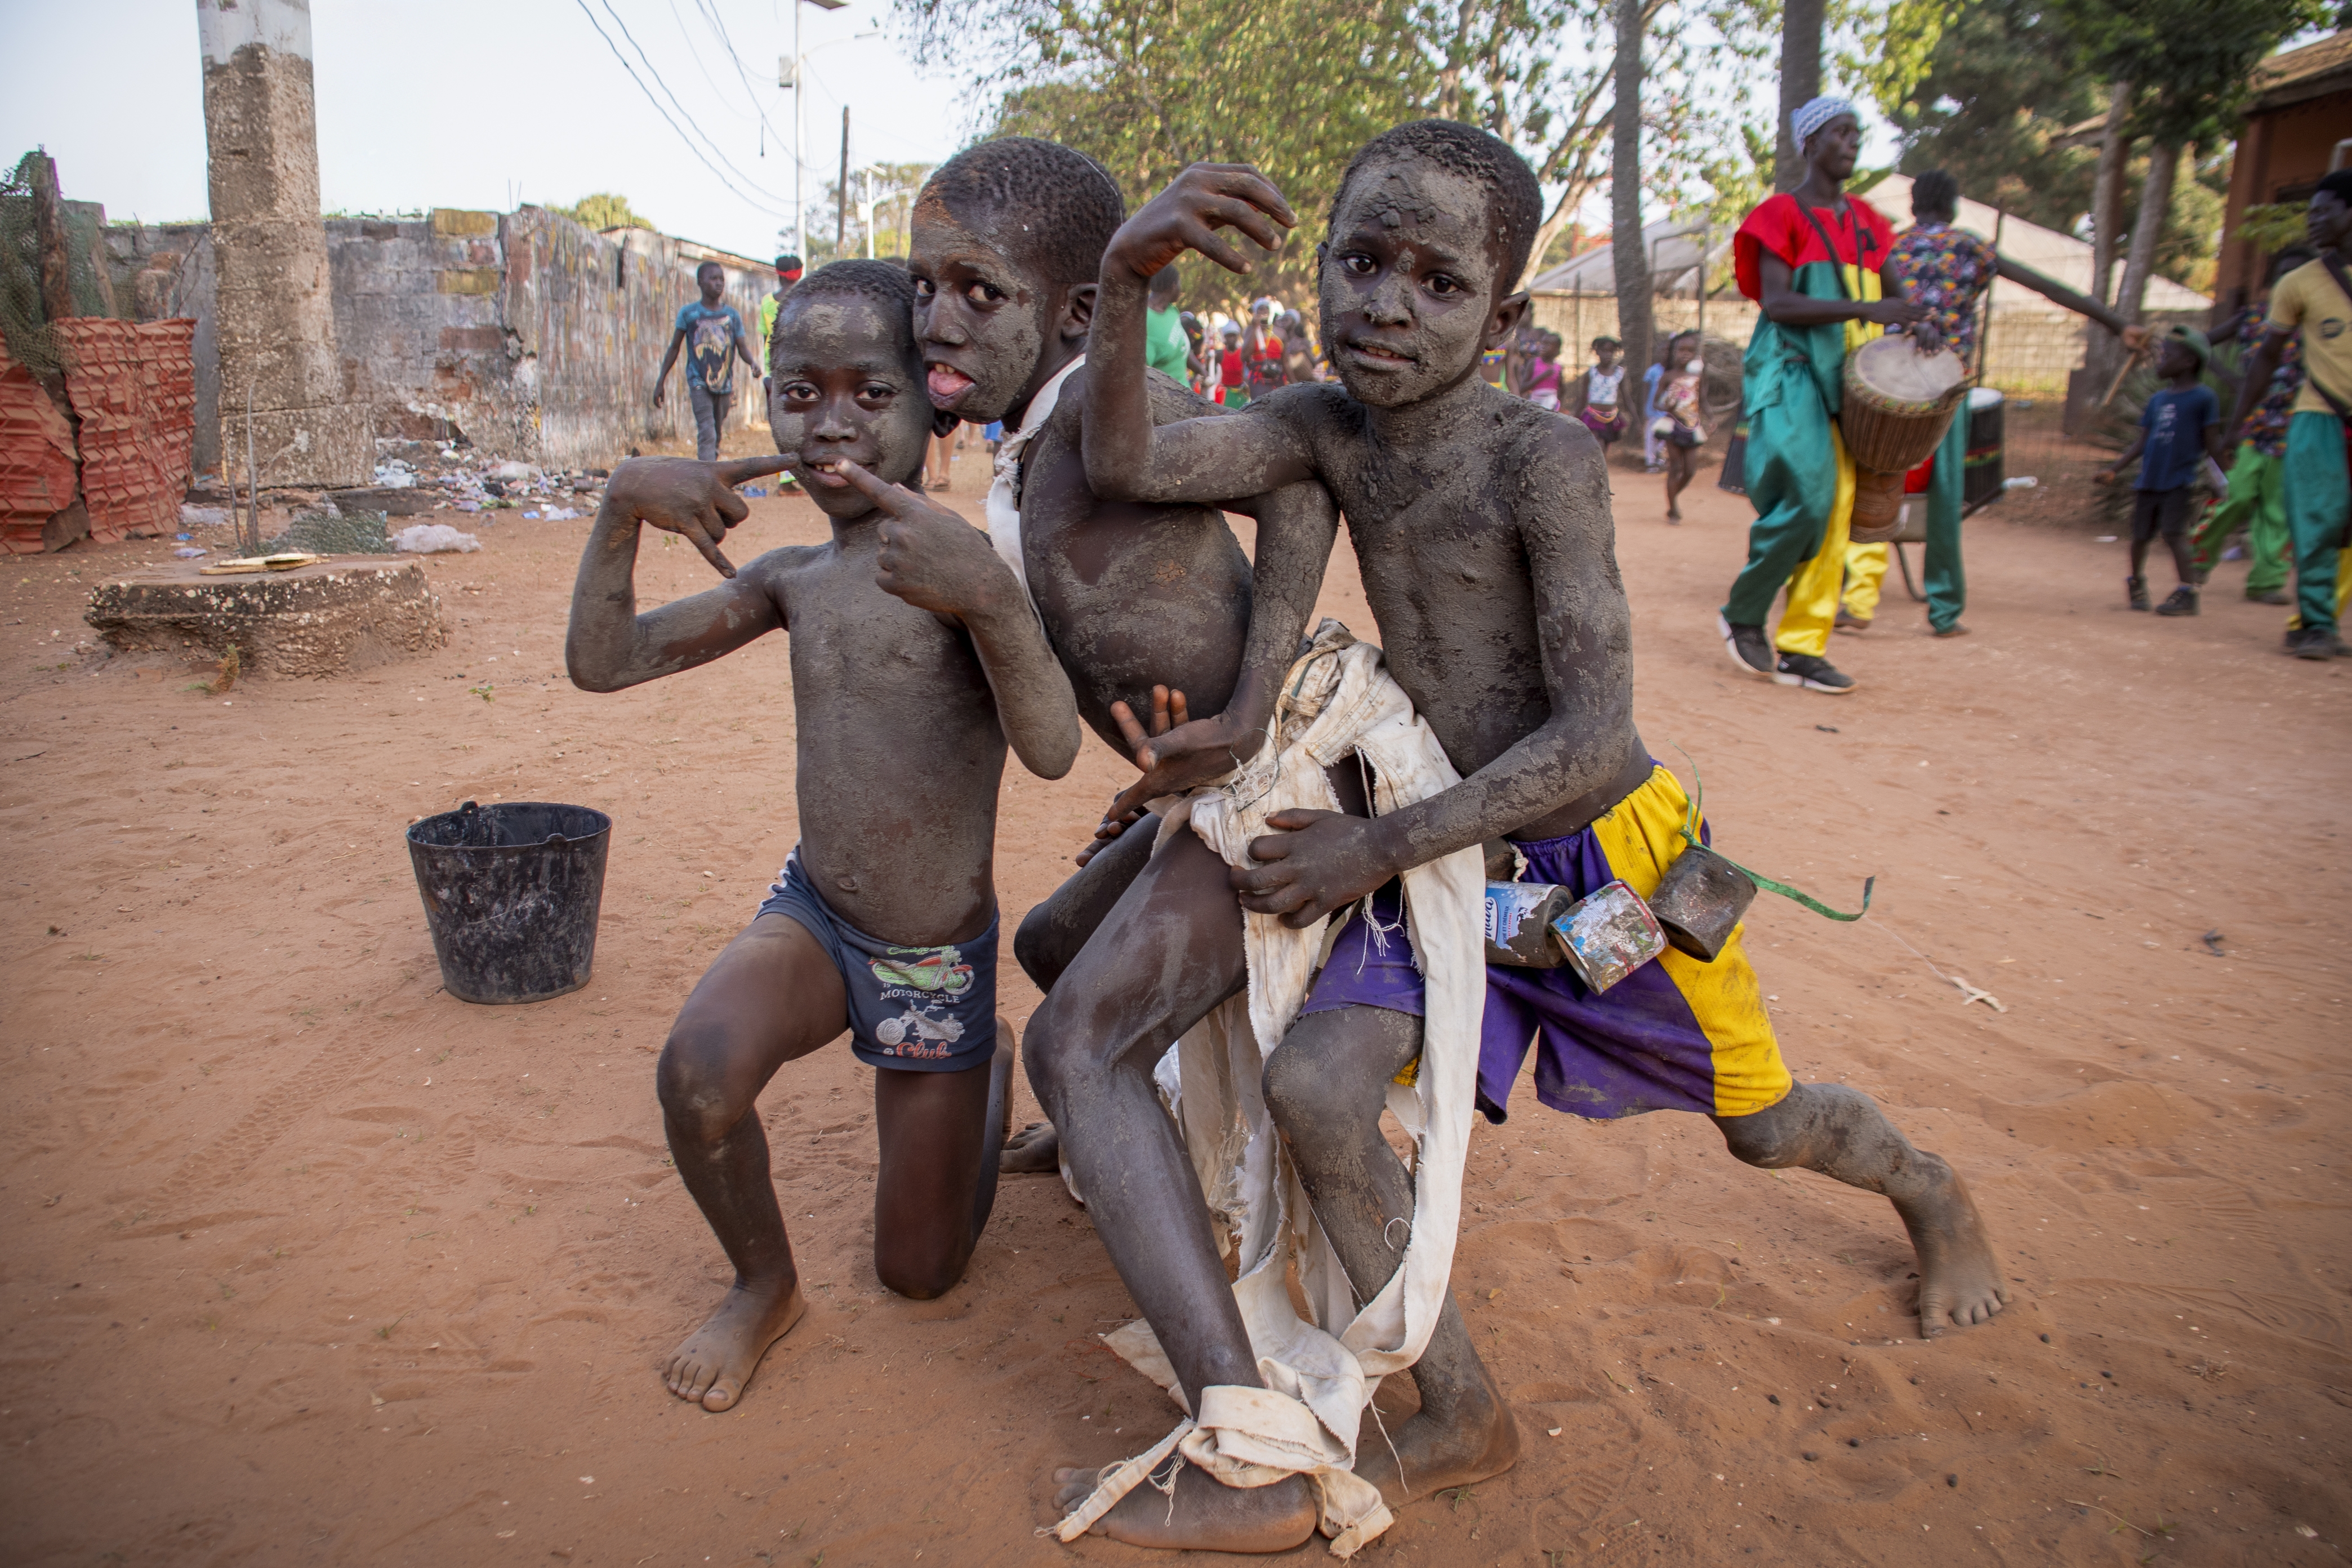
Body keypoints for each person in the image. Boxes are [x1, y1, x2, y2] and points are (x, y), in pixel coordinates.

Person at [1065, 121, 2006, 1554]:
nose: (1385, 303)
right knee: (1318, 1087)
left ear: (1503, 318)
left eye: (1436, 282)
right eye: (1360, 262)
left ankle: (1928, 1190)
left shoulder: (1540, 459)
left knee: (1760, 1124)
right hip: (1448, 856)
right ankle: (1461, 1405)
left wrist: (1370, 852)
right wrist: (1128, 277)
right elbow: (1122, 455)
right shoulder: (1323, 430)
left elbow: (1583, 734)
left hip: (1605, 859)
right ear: (1317, 264)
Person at [566, 260, 1081, 1414]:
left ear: (931, 399)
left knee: (920, 1276)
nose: (830, 424)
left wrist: (991, 601)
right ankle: (765, 1286)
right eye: (800, 394)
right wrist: (617, 515)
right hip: (817, 914)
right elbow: (606, 664)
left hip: (927, 956)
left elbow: (1051, 749)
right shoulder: (794, 576)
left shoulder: (968, 569)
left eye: (869, 393)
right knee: (698, 1075)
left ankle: (987, 1059)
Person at [899, 136, 1338, 1193]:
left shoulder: (1107, 415)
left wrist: (1249, 701)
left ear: (1079, 314)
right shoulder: (1022, 459)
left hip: (1279, 776)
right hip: (1195, 789)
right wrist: (1149, 794)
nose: (937, 318)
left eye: (977, 288)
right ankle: (1112, 1119)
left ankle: (1123, 1123)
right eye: (922, 287)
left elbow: (1300, 487)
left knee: (1072, 1035)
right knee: (1051, 943)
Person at [1870, 169, 2148, 636]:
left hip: (1886, 384)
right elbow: (2050, 289)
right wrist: (2118, 324)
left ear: (1914, 204)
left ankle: (1843, 595)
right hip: (1945, 387)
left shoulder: (1889, 248)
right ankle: (1943, 611)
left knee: (1872, 483)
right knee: (1944, 498)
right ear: (1953, 204)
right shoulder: (1971, 246)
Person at [2229, 168, 2352, 660]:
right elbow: (2267, 357)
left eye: (2325, 211)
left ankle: (2322, 619)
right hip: (2319, 416)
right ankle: (2315, 624)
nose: (2314, 221)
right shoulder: (2300, 283)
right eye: (2311, 212)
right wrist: (2238, 420)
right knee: (2318, 520)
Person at [2193, 247, 2313, 606]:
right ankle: (2196, 558)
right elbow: (2196, 342)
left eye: (2299, 275)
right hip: (2251, 425)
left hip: (2295, 428)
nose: (2289, 282)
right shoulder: (2253, 318)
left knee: (2278, 508)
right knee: (2236, 494)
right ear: (2272, 280)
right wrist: (2230, 377)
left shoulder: (2317, 324)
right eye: (2283, 275)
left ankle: (2267, 581)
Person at [2093, 326, 2222, 616]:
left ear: (2189, 361)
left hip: (2179, 479)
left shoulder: (2204, 398)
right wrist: (2115, 469)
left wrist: (2228, 477)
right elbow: (2142, 442)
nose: (2160, 361)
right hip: (2149, 479)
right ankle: (2136, 583)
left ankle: (2188, 592)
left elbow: (2212, 443)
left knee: (2175, 534)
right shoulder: (2157, 400)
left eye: (2167, 356)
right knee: (2140, 536)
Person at [654, 259, 761, 462]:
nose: (719, 283)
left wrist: (753, 363)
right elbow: (674, 348)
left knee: (717, 433)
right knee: (707, 432)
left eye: (721, 279)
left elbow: (742, 347)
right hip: (698, 382)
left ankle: (710, 469)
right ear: (700, 282)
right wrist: (661, 381)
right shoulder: (689, 314)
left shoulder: (731, 316)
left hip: (724, 385)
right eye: (713, 279)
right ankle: (706, 481)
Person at [1656, 331, 1707, 521]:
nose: (1685, 354)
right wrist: (1666, 406)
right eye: (1681, 350)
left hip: (1692, 426)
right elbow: (1656, 403)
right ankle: (1673, 508)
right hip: (1673, 426)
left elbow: (1702, 400)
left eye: (1690, 351)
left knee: (1690, 470)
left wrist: (1711, 418)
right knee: (1676, 467)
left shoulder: (1697, 377)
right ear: (1674, 352)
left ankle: (1673, 495)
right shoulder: (1668, 376)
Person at [1143, 265, 1195, 385]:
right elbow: (1144, 373)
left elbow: (1182, 348)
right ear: (1173, 286)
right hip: (1167, 399)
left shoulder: (1172, 311)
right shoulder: (1146, 319)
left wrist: (1203, 371)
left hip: (1186, 393)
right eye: (1180, 283)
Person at [1577, 335, 1627, 449]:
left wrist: (1637, 420)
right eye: (1604, 351)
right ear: (1597, 352)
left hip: (1611, 417)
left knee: (1604, 447)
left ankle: (1600, 466)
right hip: (1593, 416)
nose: (1608, 354)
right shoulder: (1591, 373)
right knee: (1598, 445)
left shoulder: (1619, 373)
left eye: (1611, 351)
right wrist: (1575, 417)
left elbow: (1627, 398)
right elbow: (1582, 398)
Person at [1244, 296, 1288, 399]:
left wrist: (1294, 383)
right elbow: (1245, 357)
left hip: (1278, 379)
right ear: (1256, 312)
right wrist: (1255, 328)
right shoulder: (1250, 331)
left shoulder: (1281, 333)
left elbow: (1286, 362)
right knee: (1259, 408)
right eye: (1261, 309)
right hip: (1258, 380)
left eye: (1266, 309)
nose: (1264, 311)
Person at [1641, 338, 1669, 471]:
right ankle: (1651, 462)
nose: (1666, 354)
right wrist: (1646, 408)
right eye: (1663, 351)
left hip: (1668, 412)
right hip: (1653, 411)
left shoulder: (1673, 372)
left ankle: (1661, 460)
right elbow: (1646, 390)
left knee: (1665, 438)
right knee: (1651, 437)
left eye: (1669, 351)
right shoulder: (1652, 371)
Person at [1517, 329, 1564, 409]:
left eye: (1547, 344)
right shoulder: (1534, 363)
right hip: (1535, 405)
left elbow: (1561, 391)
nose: (1543, 347)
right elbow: (1522, 388)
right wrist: (1542, 376)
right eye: (1542, 343)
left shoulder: (1558, 367)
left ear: (1557, 349)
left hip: (1552, 407)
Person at [1213, 319, 1248, 406]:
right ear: (1225, 337)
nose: (1232, 339)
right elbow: (1211, 371)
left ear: (1237, 337)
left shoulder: (1242, 353)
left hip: (1241, 392)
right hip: (1225, 393)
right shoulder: (1220, 354)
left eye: (1234, 336)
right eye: (1229, 336)